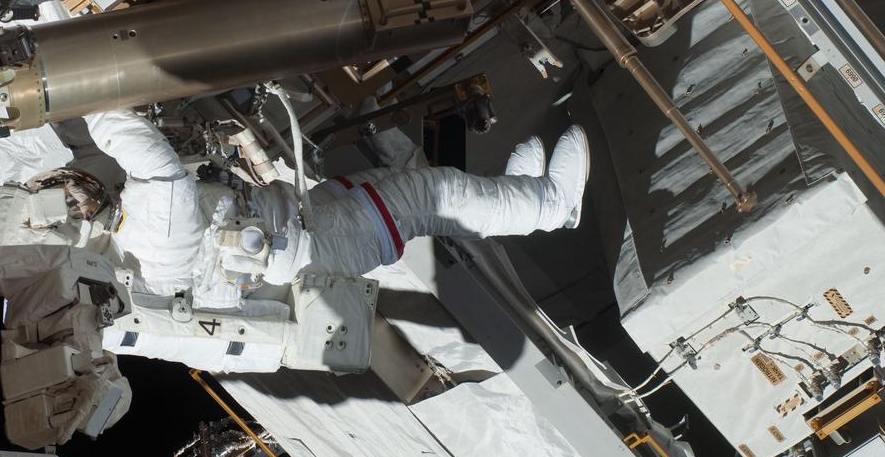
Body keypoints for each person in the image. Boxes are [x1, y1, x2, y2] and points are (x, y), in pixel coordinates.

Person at [83, 108, 590, 306]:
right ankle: (552, 207)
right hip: (314, 244)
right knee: (430, 194)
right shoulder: (150, 234)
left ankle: (516, 193)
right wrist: (90, 101)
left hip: (297, 223)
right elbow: (157, 166)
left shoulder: (133, 246)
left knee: (407, 187)